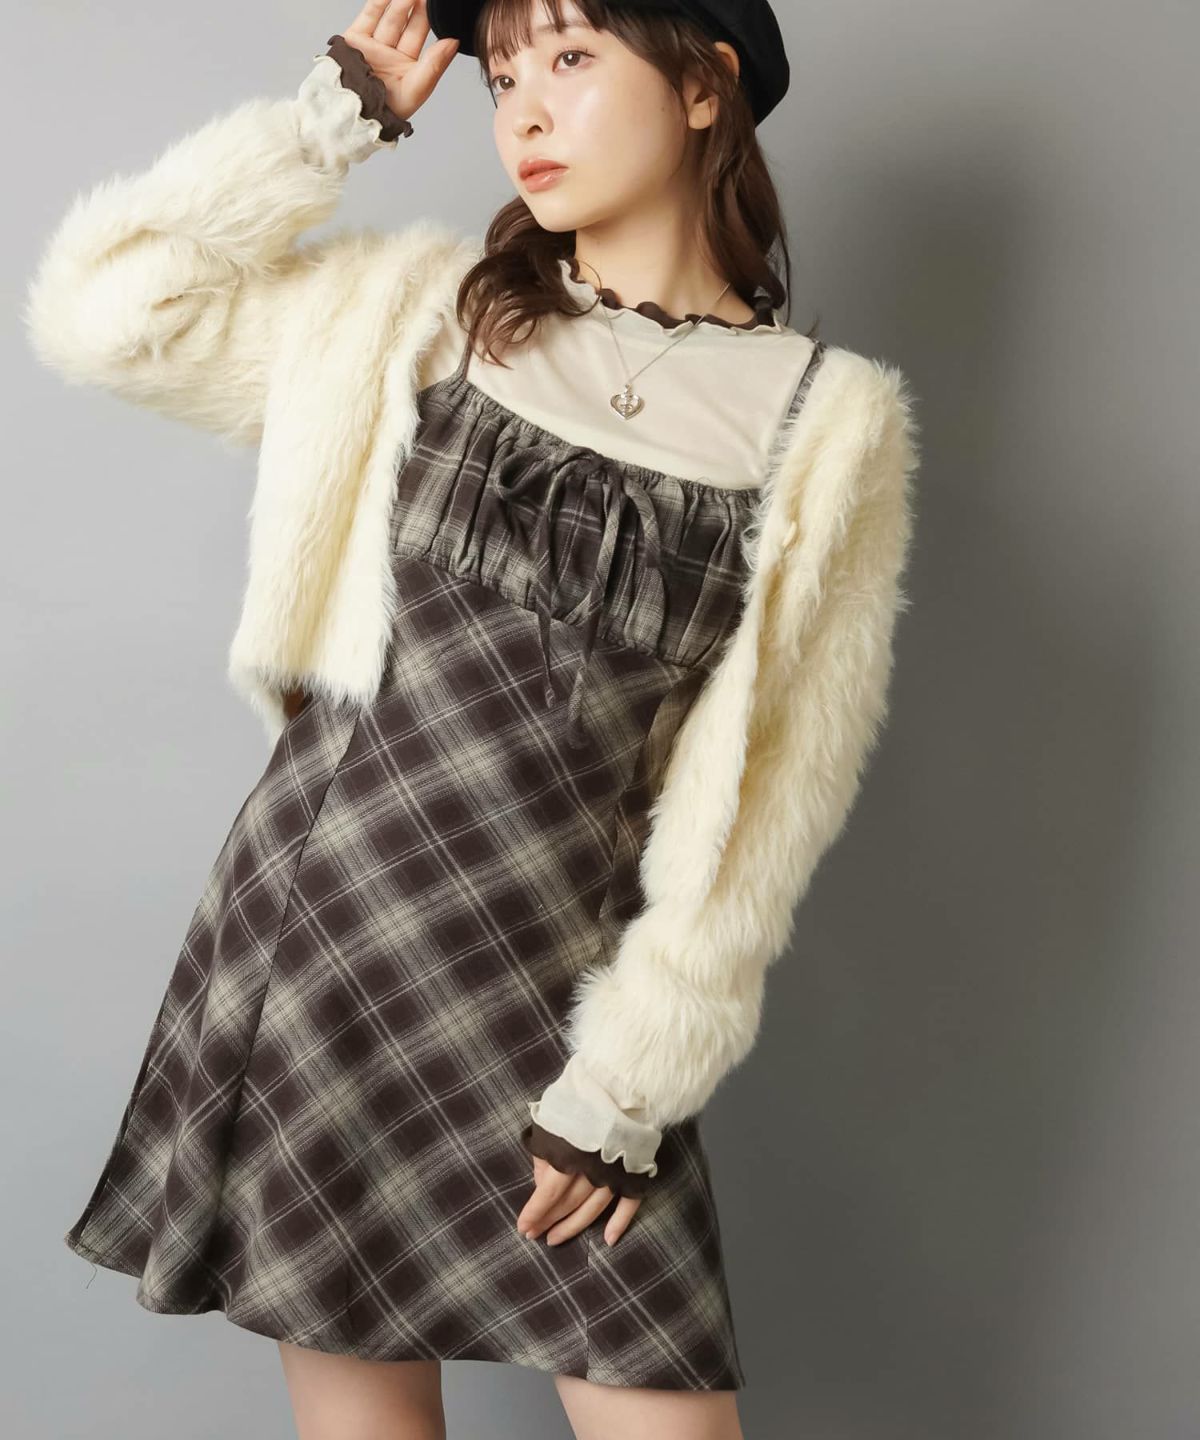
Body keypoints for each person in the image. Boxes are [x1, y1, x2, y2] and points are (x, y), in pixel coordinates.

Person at [24, 1, 920, 1435]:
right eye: (502, 76)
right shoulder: (416, 313)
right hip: (327, 946)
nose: (524, 111)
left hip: (568, 1004)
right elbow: (103, 314)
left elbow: (766, 805)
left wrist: (631, 1084)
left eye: (571, 58)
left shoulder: (828, 420)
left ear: (706, 86)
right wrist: (326, 126)